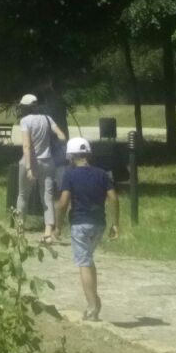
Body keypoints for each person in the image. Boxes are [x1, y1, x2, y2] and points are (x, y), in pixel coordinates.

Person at [55, 136, 119, 321]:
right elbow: (114, 198)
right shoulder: (102, 174)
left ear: (71, 156)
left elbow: (63, 203)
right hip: (99, 224)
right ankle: (95, 299)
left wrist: (57, 227)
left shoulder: (70, 175)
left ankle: (92, 307)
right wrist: (115, 224)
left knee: (83, 263)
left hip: (80, 224)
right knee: (88, 259)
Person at [16, 94, 65, 244]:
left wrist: (29, 168)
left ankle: (20, 231)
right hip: (48, 162)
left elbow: (26, 146)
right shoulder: (47, 118)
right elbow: (62, 136)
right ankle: (48, 233)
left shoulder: (25, 121)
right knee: (47, 197)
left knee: (23, 195)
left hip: (30, 162)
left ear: (25, 108)